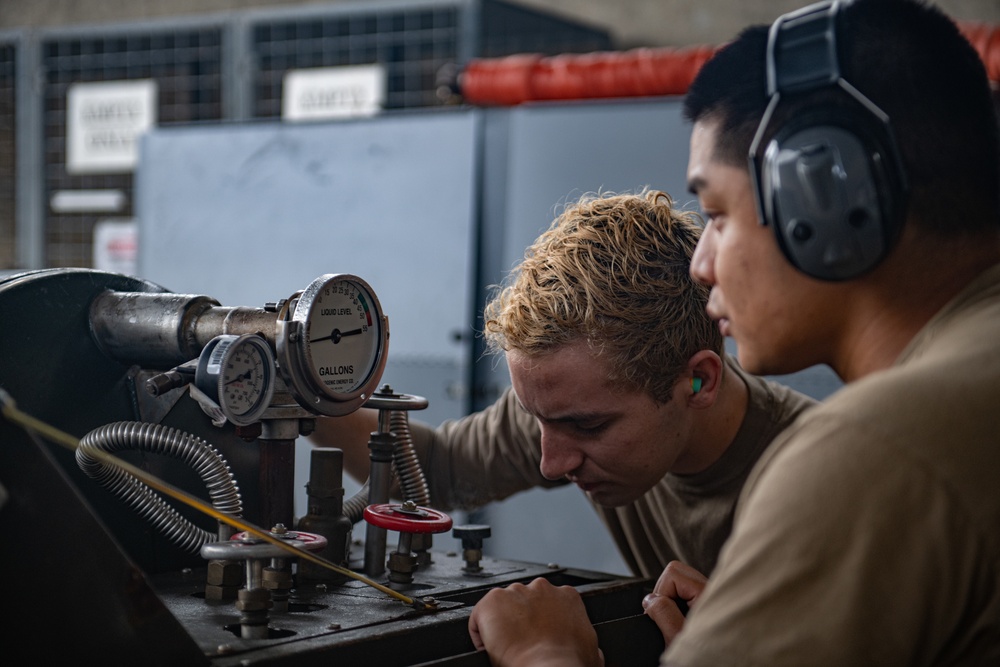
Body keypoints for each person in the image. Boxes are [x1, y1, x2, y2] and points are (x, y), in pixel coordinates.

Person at [469, 0, 1000, 665]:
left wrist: (543, 651)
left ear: (831, 205)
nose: (702, 262)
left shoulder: (875, 447)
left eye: (717, 213)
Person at [310, 188, 815, 584]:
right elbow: (434, 471)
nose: (552, 461)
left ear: (699, 380)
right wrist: (301, 394)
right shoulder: (568, 402)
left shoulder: (819, 482)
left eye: (588, 426)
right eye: (538, 420)